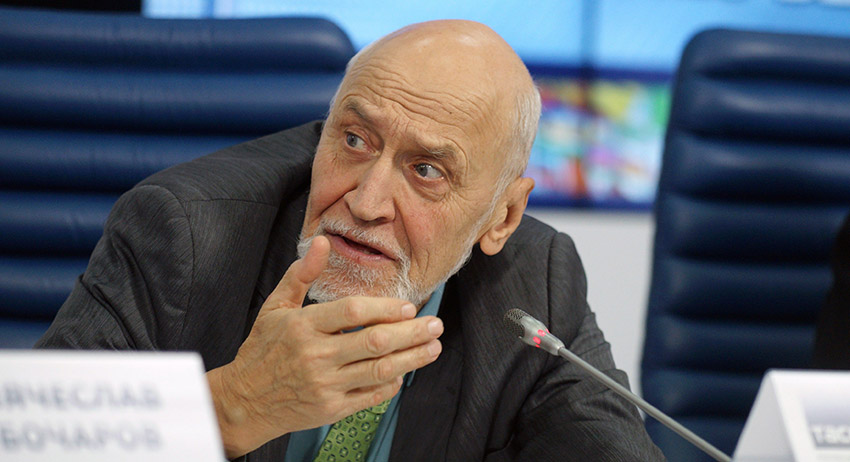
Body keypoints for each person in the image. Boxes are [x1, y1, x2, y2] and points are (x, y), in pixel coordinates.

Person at [36, 20, 664, 461]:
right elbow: (36, 437)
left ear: (502, 218)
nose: (365, 203)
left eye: (426, 171)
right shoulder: (185, 232)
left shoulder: (535, 284)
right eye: (355, 140)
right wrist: (230, 408)